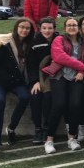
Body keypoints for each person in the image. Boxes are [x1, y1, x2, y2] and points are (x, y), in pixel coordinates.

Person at [42, 18, 84, 154]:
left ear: (78, 28)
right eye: (69, 25)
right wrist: (82, 66)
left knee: (75, 105)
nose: (72, 27)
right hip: (60, 76)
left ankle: (72, 138)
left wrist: (83, 71)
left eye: (74, 25)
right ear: (65, 28)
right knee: (59, 104)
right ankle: (49, 140)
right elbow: (60, 57)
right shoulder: (58, 40)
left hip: (77, 78)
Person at [0, 18, 34, 153]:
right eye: (22, 27)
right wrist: (7, 79)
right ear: (16, 28)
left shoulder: (29, 45)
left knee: (25, 97)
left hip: (17, 81)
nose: (24, 30)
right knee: (0, 101)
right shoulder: (3, 43)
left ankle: (11, 128)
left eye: (27, 28)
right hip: (0, 81)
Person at [27, 16, 58, 145]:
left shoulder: (59, 40)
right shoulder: (34, 42)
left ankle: (47, 127)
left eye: (50, 28)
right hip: (38, 76)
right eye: (44, 28)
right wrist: (35, 81)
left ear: (54, 29)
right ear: (40, 29)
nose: (47, 31)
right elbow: (31, 65)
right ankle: (38, 128)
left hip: (55, 75)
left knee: (49, 96)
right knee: (35, 96)